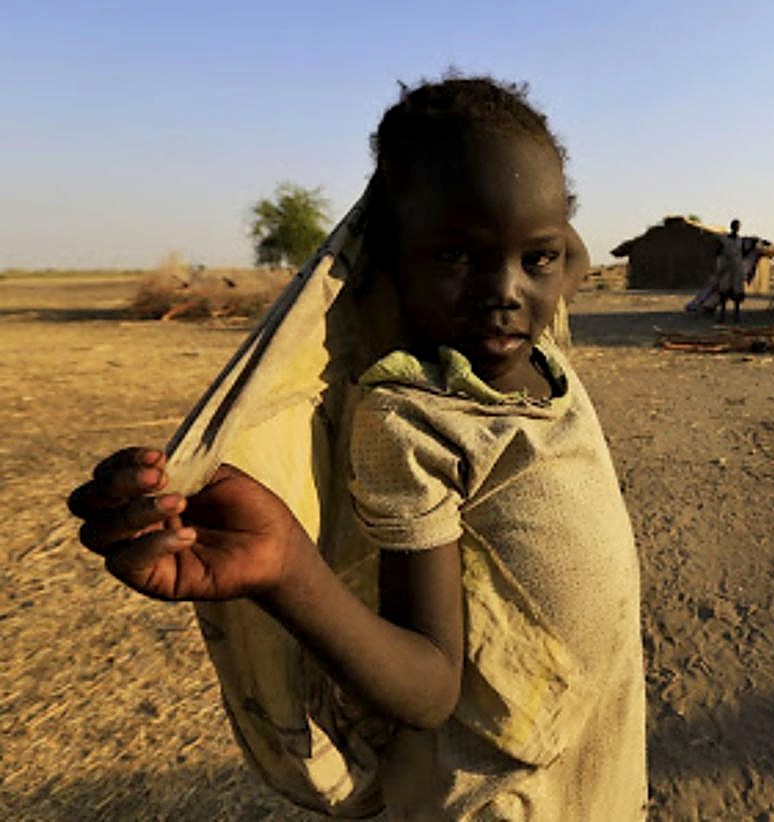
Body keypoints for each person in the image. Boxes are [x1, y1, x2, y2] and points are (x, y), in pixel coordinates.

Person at [68, 77, 646, 820]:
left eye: (534, 258)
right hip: (498, 798)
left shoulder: (546, 364)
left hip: (595, 763)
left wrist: (536, 250)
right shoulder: (411, 421)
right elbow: (429, 688)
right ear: (386, 264)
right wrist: (284, 570)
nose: (505, 290)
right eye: (456, 257)